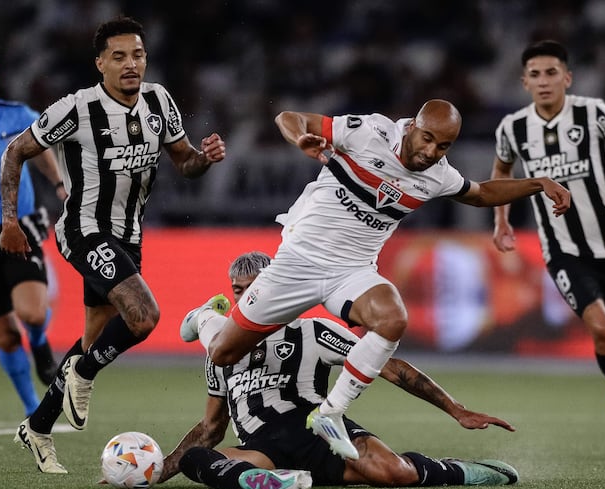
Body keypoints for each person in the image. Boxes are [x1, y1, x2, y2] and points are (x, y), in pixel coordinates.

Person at [191, 98, 570, 460]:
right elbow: (290, 117)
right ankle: (203, 318)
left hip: (351, 271)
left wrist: (538, 183)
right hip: (298, 263)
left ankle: (330, 412)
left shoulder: (438, 175)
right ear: (412, 127)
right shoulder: (366, 131)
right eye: (428, 138)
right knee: (223, 352)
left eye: (444, 145)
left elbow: (482, 193)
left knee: (392, 318)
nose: (432, 151)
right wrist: (301, 139)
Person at [1, 16, 226, 474]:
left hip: (129, 237)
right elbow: (16, 151)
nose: (131, 64)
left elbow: (183, 163)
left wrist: (205, 159)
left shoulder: (160, 100)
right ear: (100, 62)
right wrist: (10, 221)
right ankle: (83, 374)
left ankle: (38, 427)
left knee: (93, 340)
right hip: (84, 231)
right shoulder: (76, 108)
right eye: (119, 56)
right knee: (143, 317)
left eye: (138, 55)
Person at [164, 251, 518, 489]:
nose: (244, 300)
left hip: (320, 436)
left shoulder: (311, 331)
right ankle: (278, 480)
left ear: (271, 289)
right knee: (196, 458)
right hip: (261, 452)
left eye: (253, 290)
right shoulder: (220, 353)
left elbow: (391, 368)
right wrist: (160, 470)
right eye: (237, 291)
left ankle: (468, 471)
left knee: (394, 473)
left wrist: (456, 409)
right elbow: (211, 427)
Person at [490, 40, 605, 452]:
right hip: (563, 249)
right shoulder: (513, 128)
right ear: (524, 81)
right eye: (535, 74)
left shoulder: (592, 113)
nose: (544, 81)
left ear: (567, 77)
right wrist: (502, 221)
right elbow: (501, 171)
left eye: (551, 73)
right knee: (601, 330)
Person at [0, 47, 65, 417]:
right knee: (4, 333)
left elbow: (37, 149)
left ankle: (39, 344)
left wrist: (58, 184)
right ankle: (31, 408)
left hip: (18, 226)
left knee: (33, 314)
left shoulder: (17, 116)